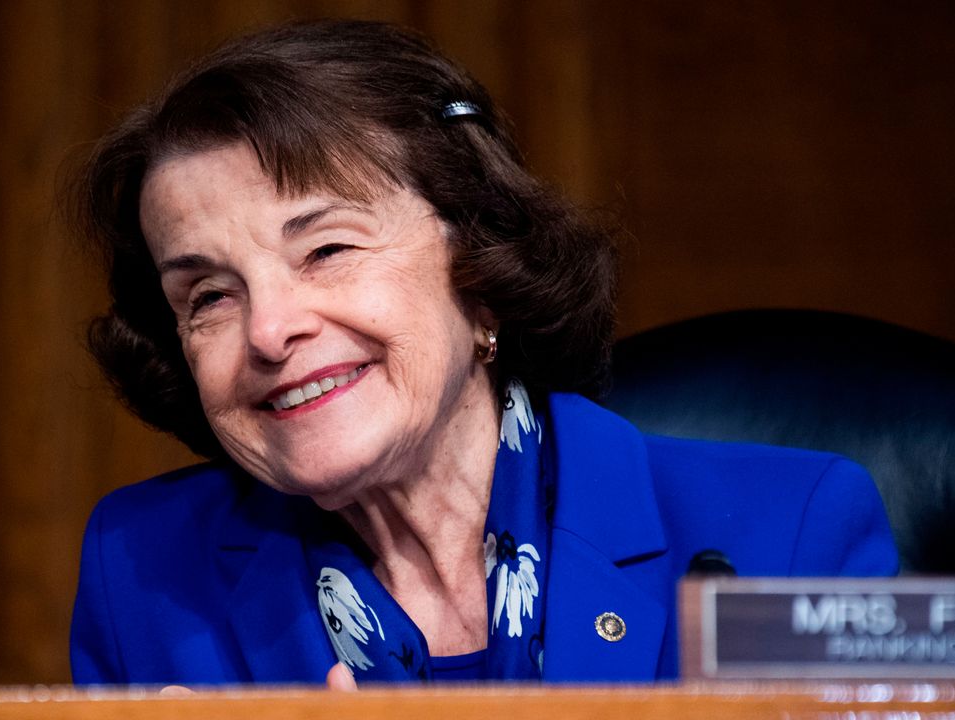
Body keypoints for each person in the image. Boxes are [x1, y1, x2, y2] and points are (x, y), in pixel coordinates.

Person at [69, 19, 897, 687]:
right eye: (208, 296)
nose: (269, 331)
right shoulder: (144, 575)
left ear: (481, 274)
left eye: (326, 251)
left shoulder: (785, 538)